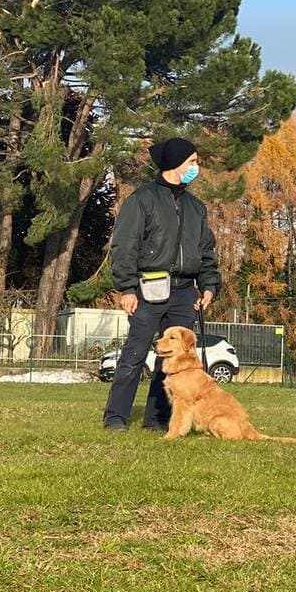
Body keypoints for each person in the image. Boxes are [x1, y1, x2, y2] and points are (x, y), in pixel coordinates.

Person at [103, 137, 220, 431]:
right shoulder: (142, 200)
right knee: (135, 354)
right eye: (192, 161)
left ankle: (156, 419)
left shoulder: (197, 208)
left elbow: (206, 251)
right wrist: (127, 289)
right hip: (148, 289)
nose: (197, 167)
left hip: (184, 293)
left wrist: (208, 286)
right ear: (176, 163)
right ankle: (116, 417)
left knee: (171, 358)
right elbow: (125, 246)